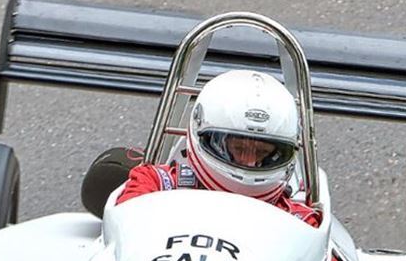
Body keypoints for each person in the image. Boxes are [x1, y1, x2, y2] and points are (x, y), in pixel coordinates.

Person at [115, 70, 321, 227]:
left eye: (263, 153)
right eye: (238, 148)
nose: (249, 162)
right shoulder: (155, 185)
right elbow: (123, 230)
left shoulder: (299, 222)